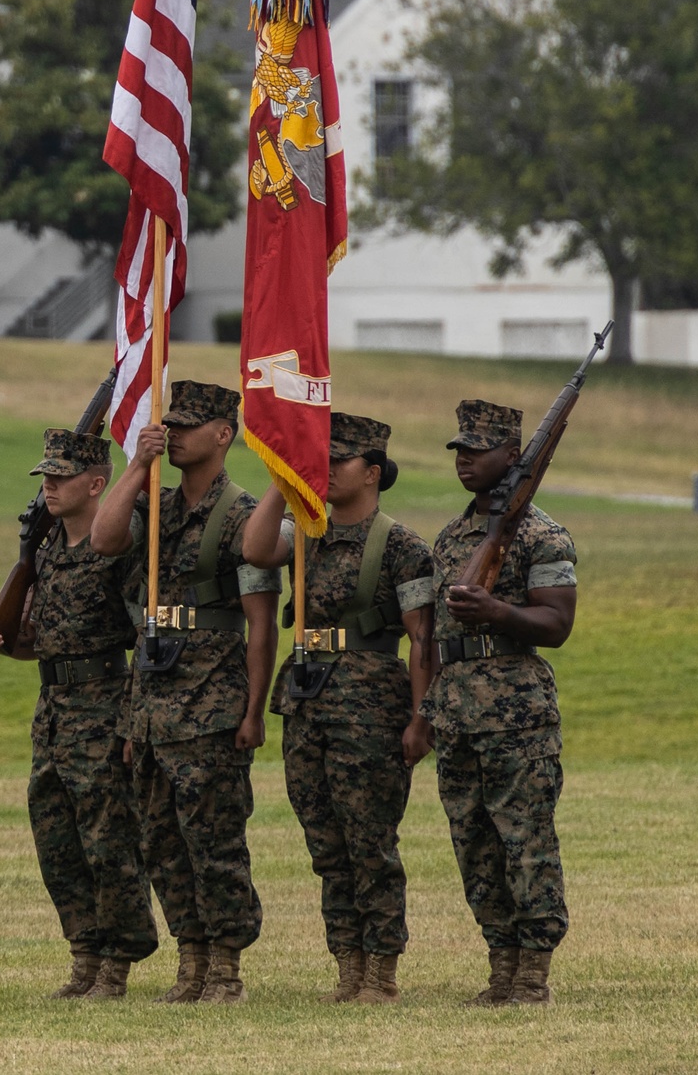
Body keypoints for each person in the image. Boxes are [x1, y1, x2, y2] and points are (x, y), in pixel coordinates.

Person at [90, 380, 280, 1006]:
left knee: (214, 841)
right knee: (161, 843)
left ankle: (226, 966)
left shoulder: (242, 515)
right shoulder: (156, 505)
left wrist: (253, 711)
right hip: (150, 709)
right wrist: (137, 464)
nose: (173, 433)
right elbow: (104, 538)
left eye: (189, 425)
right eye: (169, 424)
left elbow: (259, 623)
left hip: (210, 704)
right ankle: (190, 958)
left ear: (224, 435)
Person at [243, 412, 435, 1005]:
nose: (322, 471)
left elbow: (423, 639)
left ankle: (381, 971)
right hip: (306, 700)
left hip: (369, 702)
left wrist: (421, 718)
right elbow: (252, 547)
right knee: (325, 844)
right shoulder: (307, 533)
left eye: (336, 461)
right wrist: (281, 478)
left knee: (369, 842)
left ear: (372, 472)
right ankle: (347, 966)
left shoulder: (401, 547)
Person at [0, 427, 157, 1001]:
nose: (49, 485)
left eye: (61, 475)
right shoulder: (46, 555)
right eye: (45, 476)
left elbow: (144, 641)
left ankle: (117, 965)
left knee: (109, 843)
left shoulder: (118, 551)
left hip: (103, 706)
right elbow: (40, 640)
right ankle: (84, 958)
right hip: (52, 712)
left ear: (96, 483)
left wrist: (131, 722)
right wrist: (3, 638)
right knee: (57, 843)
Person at [420, 398, 577, 1007]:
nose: (464, 460)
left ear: (514, 457)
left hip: (515, 711)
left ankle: (532, 973)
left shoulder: (543, 534)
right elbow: (432, 632)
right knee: (474, 841)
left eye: (478, 450)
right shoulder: (454, 536)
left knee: (525, 839)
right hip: (457, 709)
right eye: (459, 449)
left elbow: (557, 623)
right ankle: (500, 964)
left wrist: (499, 614)